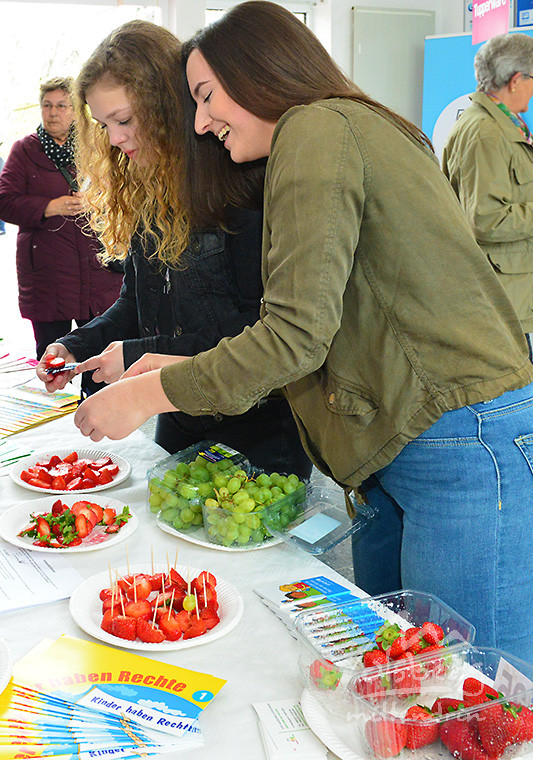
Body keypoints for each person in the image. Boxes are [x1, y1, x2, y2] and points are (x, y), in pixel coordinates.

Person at [73, 2, 533, 660]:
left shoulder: (316, 128)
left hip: (455, 442)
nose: (200, 121)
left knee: (469, 686)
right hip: (395, 445)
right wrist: (170, 369)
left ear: (259, 72)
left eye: (205, 97)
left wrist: (148, 394)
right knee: (402, 676)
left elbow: (292, 335)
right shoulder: (332, 131)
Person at [35, 21, 311, 478]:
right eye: (105, 126)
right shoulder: (147, 189)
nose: (116, 140)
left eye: (124, 121)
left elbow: (258, 331)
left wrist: (137, 353)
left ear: (167, 106)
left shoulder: (241, 183)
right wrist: (74, 345)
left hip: (257, 429)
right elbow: (135, 301)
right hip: (176, 418)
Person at [0, 77, 122, 359]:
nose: (53, 112)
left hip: (98, 273)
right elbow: (5, 202)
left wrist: (100, 200)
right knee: (53, 360)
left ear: (77, 109)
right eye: (47, 105)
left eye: (61, 105)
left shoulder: (101, 142)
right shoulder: (25, 150)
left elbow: (126, 189)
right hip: (48, 277)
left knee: (102, 357)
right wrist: (49, 206)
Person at [442, 33, 533, 356]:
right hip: (502, 297)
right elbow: (486, 219)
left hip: (512, 291)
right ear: (516, 79)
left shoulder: (503, 126)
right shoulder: (486, 133)